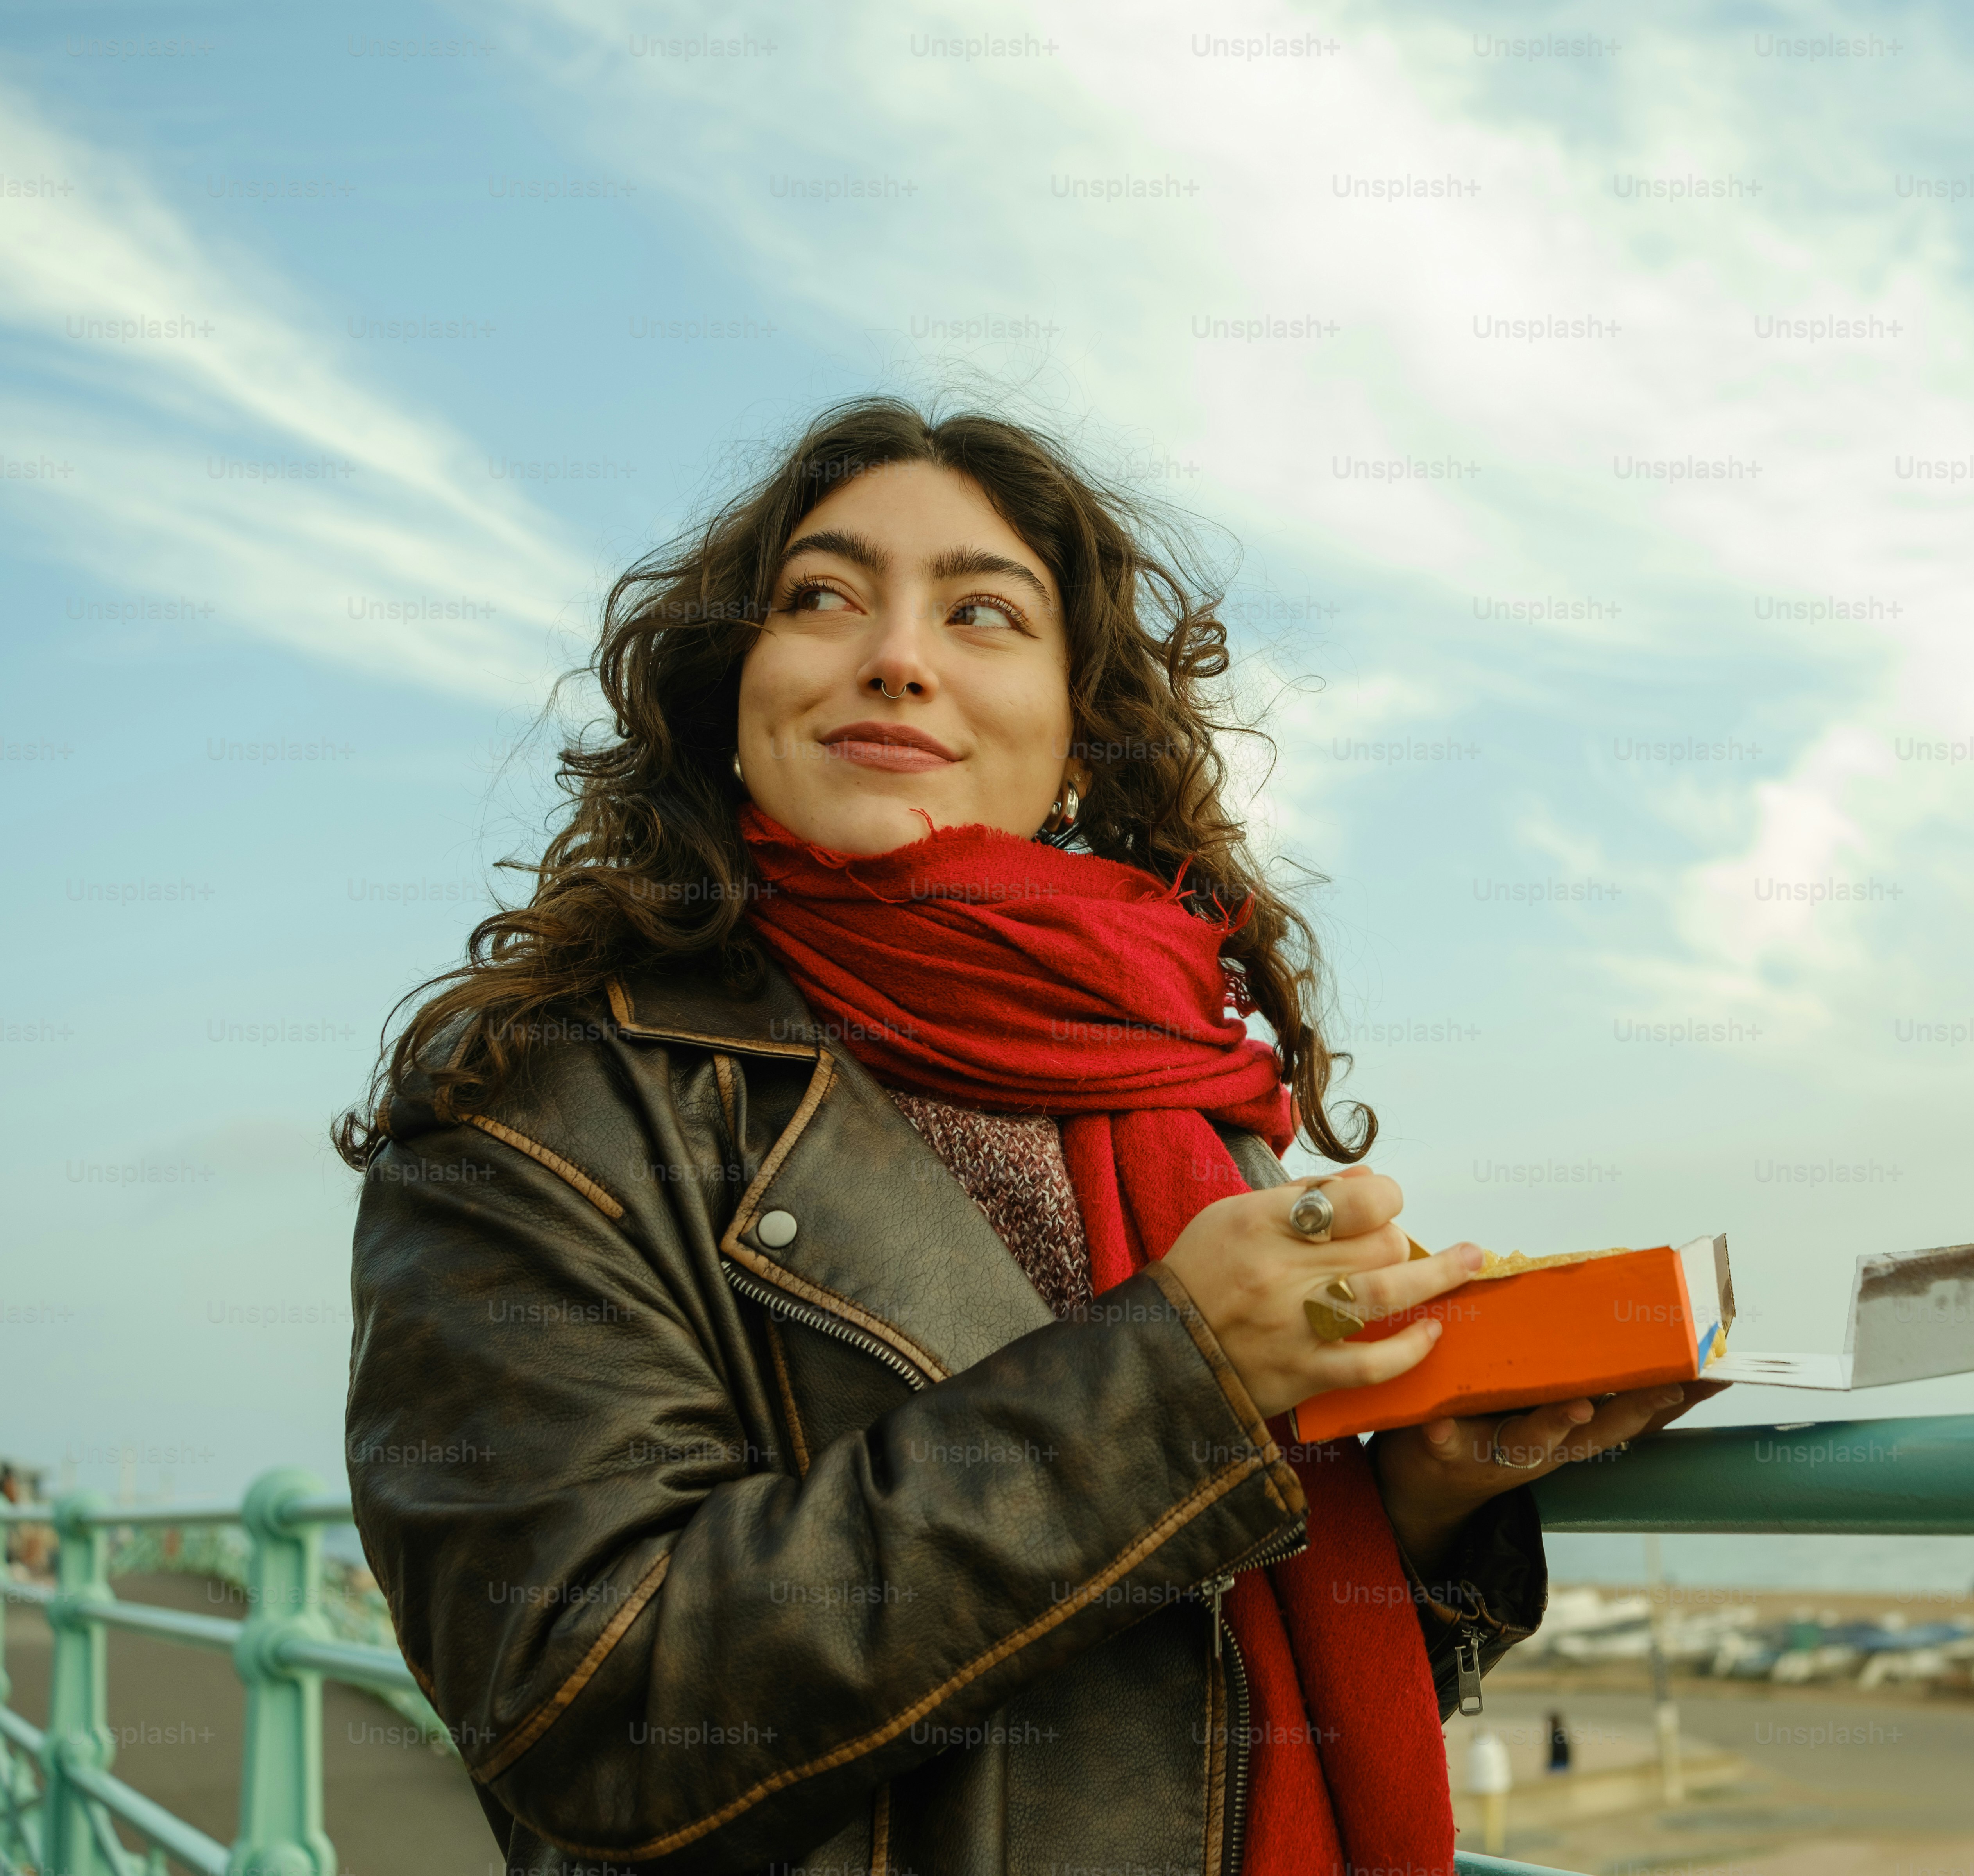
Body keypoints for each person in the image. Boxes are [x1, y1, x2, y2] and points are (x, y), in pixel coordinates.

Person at [336, 397, 1719, 1876]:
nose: (899, 655)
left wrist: (1432, 1507)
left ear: (1075, 741)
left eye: (983, 613)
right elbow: (582, 1706)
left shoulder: (1169, 1089)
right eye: (823, 596)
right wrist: (1176, 1378)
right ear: (732, 694)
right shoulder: (540, 1101)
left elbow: (1237, 1721)